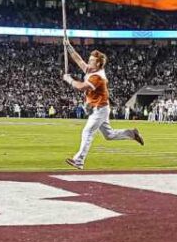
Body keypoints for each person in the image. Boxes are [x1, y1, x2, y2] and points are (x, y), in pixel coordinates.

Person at [61, 42, 142, 170]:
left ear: (98, 64)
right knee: (108, 135)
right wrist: (68, 47)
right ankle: (132, 134)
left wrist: (69, 79)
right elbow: (79, 60)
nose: (88, 62)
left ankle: (79, 160)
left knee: (87, 131)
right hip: (99, 107)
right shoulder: (91, 70)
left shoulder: (98, 77)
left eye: (91, 61)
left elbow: (81, 87)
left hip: (100, 109)